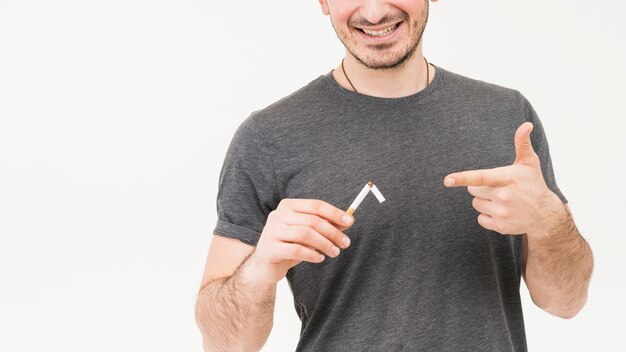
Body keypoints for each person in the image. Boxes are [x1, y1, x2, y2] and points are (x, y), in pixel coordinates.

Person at [195, 1, 594, 351]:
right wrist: (259, 269)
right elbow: (224, 344)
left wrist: (549, 222)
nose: (373, 12)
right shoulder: (268, 138)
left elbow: (566, 301)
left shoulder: (508, 117)